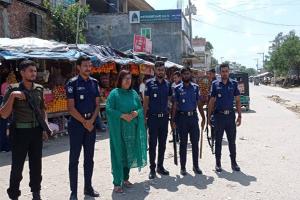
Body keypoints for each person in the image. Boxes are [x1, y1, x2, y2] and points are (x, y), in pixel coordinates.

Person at [0, 60, 49, 200]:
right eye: (30, 71)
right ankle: (14, 194)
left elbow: (42, 109)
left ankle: (36, 192)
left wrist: (44, 128)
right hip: (19, 133)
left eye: (34, 70)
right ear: (22, 73)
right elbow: (3, 114)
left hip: (36, 132)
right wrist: (13, 96)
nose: (33, 73)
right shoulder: (12, 88)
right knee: (17, 167)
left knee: (36, 165)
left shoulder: (39, 88)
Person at [106, 70, 147, 193]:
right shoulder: (114, 94)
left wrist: (136, 113)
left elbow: (140, 108)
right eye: (125, 78)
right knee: (118, 154)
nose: (128, 81)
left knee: (128, 154)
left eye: (129, 78)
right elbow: (108, 109)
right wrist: (122, 115)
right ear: (120, 80)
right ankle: (117, 183)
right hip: (118, 131)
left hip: (131, 131)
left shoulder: (134, 93)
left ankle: (125, 178)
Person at [65, 56, 100, 200]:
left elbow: (97, 104)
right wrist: (85, 122)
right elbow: (70, 108)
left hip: (90, 124)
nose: (88, 68)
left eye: (89, 65)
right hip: (77, 125)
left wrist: (91, 120)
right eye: (85, 65)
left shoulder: (94, 83)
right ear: (78, 67)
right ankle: (73, 191)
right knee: (74, 159)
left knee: (89, 159)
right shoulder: (72, 83)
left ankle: (88, 187)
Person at [208, 63, 242, 173]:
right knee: (218, 141)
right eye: (223, 71)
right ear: (220, 72)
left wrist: (239, 116)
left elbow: (237, 100)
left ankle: (234, 162)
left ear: (229, 72)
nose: (225, 73)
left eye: (226, 71)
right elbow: (212, 101)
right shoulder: (215, 84)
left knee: (232, 141)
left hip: (230, 116)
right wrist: (208, 117)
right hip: (219, 116)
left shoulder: (234, 83)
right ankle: (218, 163)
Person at [171, 67, 206, 176]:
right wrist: (173, 120)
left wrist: (204, 118)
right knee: (183, 144)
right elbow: (175, 106)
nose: (186, 75)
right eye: (184, 74)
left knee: (195, 143)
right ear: (181, 76)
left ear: (190, 75)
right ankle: (183, 167)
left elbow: (199, 104)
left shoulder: (195, 88)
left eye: (188, 74)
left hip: (193, 118)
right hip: (182, 119)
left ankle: (196, 166)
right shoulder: (177, 88)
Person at [144, 61, 172, 179]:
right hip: (153, 118)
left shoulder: (168, 84)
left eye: (162, 70)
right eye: (159, 70)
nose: (161, 72)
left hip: (164, 118)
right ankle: (152, 169)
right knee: (152, 143)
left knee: (163, 144)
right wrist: (144, 117)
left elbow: (169, 100)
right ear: (155, 70)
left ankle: (160, 166)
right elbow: (146, 101)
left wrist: (170, 111)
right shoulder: (149, 83)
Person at [169, 71, 182, 143]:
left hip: (180, 109)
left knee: (180, 124)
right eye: (173, 78)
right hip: (173, 108)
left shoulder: (182, 86)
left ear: (180, 77)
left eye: (176, 78)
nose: (174, 79)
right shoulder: (173, 85)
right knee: (173, 122)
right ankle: (175, 137)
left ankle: (179, 136)